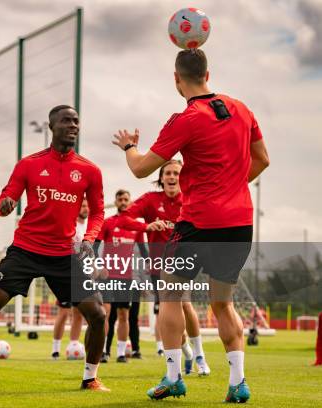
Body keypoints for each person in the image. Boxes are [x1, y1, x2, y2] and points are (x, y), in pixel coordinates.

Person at [113, 49, 269, 402]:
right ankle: (238, 383)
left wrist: (129, 146)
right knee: (222, 304)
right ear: (208, 74)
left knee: (169, 295)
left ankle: (172, 377)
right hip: (239, 223)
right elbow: (263, 159)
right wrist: (231, 187)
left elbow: (140, 169)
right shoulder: (242, 108)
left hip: (199, 223)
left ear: (176, 79)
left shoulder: (186, 118)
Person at [0, 105, 109, 391]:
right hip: (26, 250)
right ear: (52, 126)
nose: (73, 126)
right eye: (67, 121)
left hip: (63, 255)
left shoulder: (90, 170)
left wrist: (89, 239)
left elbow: (98, 212)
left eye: (77, 121)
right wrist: (5, 206)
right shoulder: (29, 164)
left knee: (98, 315)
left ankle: (90, 378)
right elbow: (5, 199)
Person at [118, 160, 211, 375]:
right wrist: (145, 225)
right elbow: (124, 219)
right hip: (157, 269)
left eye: (176, 173)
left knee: (185, 304)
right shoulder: (150, 200)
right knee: (169, 312)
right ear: (161, 178)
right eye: (167, 173)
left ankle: (200, 357)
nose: (171, 177)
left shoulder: (191, 199)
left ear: (183, 177)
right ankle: (185, 350)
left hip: (182, 262)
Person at [96, 189, 156, 363]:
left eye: (126, 199)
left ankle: (121, 353)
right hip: (108, 276)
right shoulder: (107, 223)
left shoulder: (136, 228)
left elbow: (144, 251)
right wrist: (98, 265)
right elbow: (96, 245)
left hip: (127, 277)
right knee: (106, 313)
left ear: (130, 203)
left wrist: (150, 264)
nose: (123, 202)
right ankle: (104, 352)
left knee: (124, 314)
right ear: (115, 202)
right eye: (120, 199)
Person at [51, 199, 87, 359]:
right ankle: (55, 349)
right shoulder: (70, 224)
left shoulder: (89, 227)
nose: (85, 208)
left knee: (78, 312)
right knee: (64, 311)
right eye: (82, 205)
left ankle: (73, 347)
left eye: (87, 206)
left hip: (83, 273)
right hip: (66, 271)